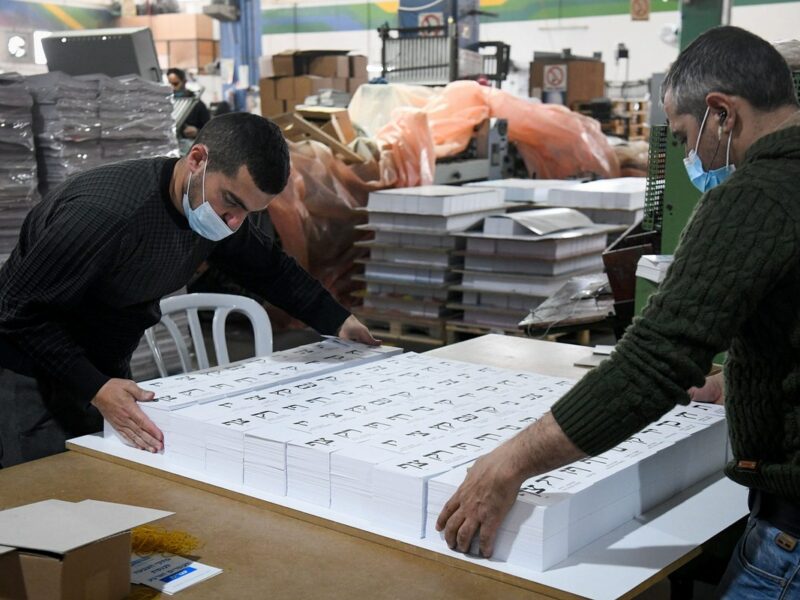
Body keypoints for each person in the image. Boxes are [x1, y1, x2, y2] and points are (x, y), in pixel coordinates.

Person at [436, 26, 800, 598]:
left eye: (685, 136)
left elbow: (652, 361)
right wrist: (739, 378)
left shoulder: (754, 195)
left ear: (722, 115)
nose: (687, 156)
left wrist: (507, 464)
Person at [0, 112, 378, 468]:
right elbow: (16, 310)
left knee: (99, 485)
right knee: (46, 491)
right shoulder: (105, 214)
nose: (234, 222)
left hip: (104, 367)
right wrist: (95, 387)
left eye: (250, 212)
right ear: (197, 158)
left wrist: (339, 321)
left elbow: (269, 268)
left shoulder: (211, 212)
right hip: (30, 372)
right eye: (232, 202)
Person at [167, 67, 211, 141]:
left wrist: (197, 132)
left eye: (175, 84)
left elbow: (209, 131)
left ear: (184, 82)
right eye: (169, 84)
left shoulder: (197, 104)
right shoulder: (165, 104)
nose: (172, 88)